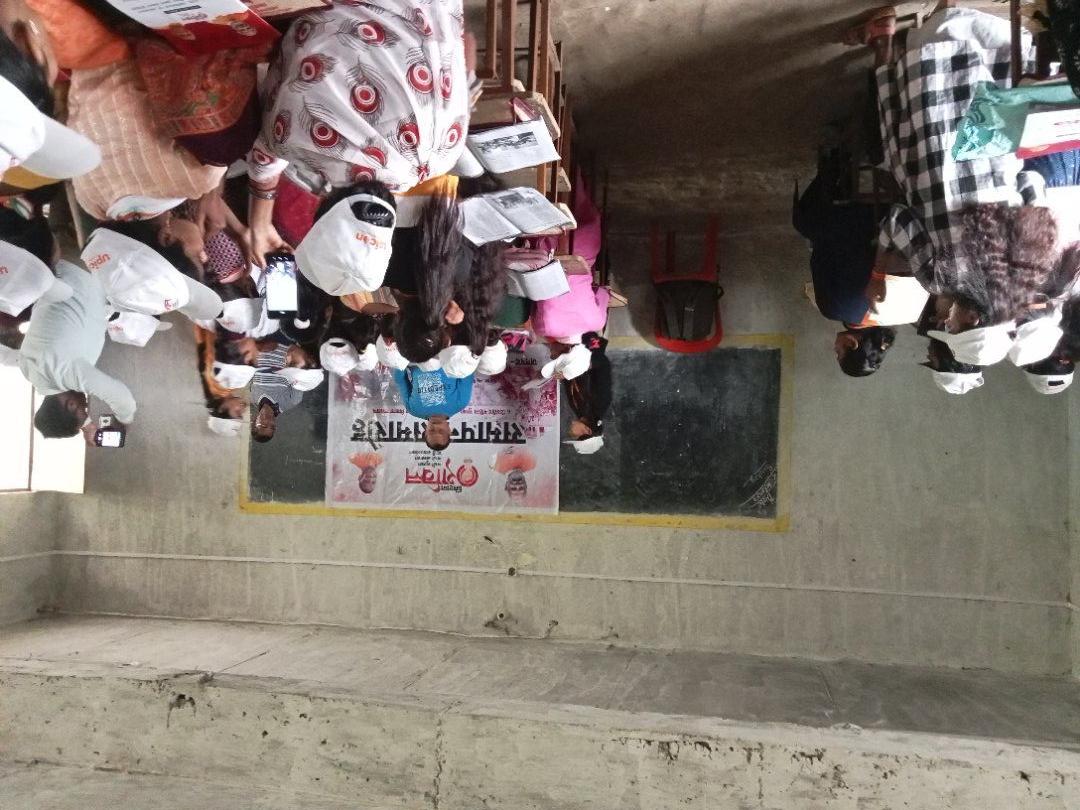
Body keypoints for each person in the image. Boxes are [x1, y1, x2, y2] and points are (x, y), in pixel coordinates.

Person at [244, 0, 474, 263]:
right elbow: (266, 150)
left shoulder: (447, 153)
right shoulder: (302, 144)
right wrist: (259, 223)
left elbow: (461, 42)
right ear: (321, 207)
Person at [18, 255, 136, 438]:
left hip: (92, 275)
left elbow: (122, 398)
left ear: (71, 404)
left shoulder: (66, 374)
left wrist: (123, 422)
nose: (87, 404)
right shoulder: (28, 370)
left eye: (85, 410)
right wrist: (86, 424)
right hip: (59, 269)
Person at [563, 333, 611, 455]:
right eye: (575, 436)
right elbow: (603, 365)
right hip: (588, 342)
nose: (571, 433)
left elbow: (570, 381)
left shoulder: (579, 411)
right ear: (587, 431)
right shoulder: (600, 404)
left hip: (571, 347)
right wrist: (583, 365)